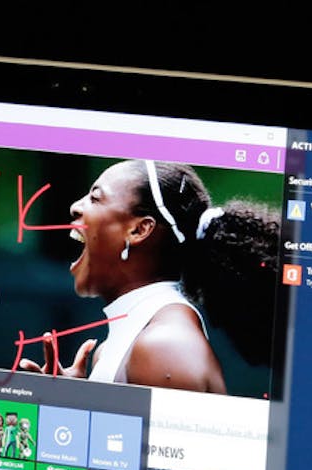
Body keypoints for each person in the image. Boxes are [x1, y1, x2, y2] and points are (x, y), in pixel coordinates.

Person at [20, 159, 278, 393]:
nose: (75, 206)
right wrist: (74, 402)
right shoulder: (116, 348)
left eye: (96, 198)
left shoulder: (165, 346)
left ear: (139, 230)